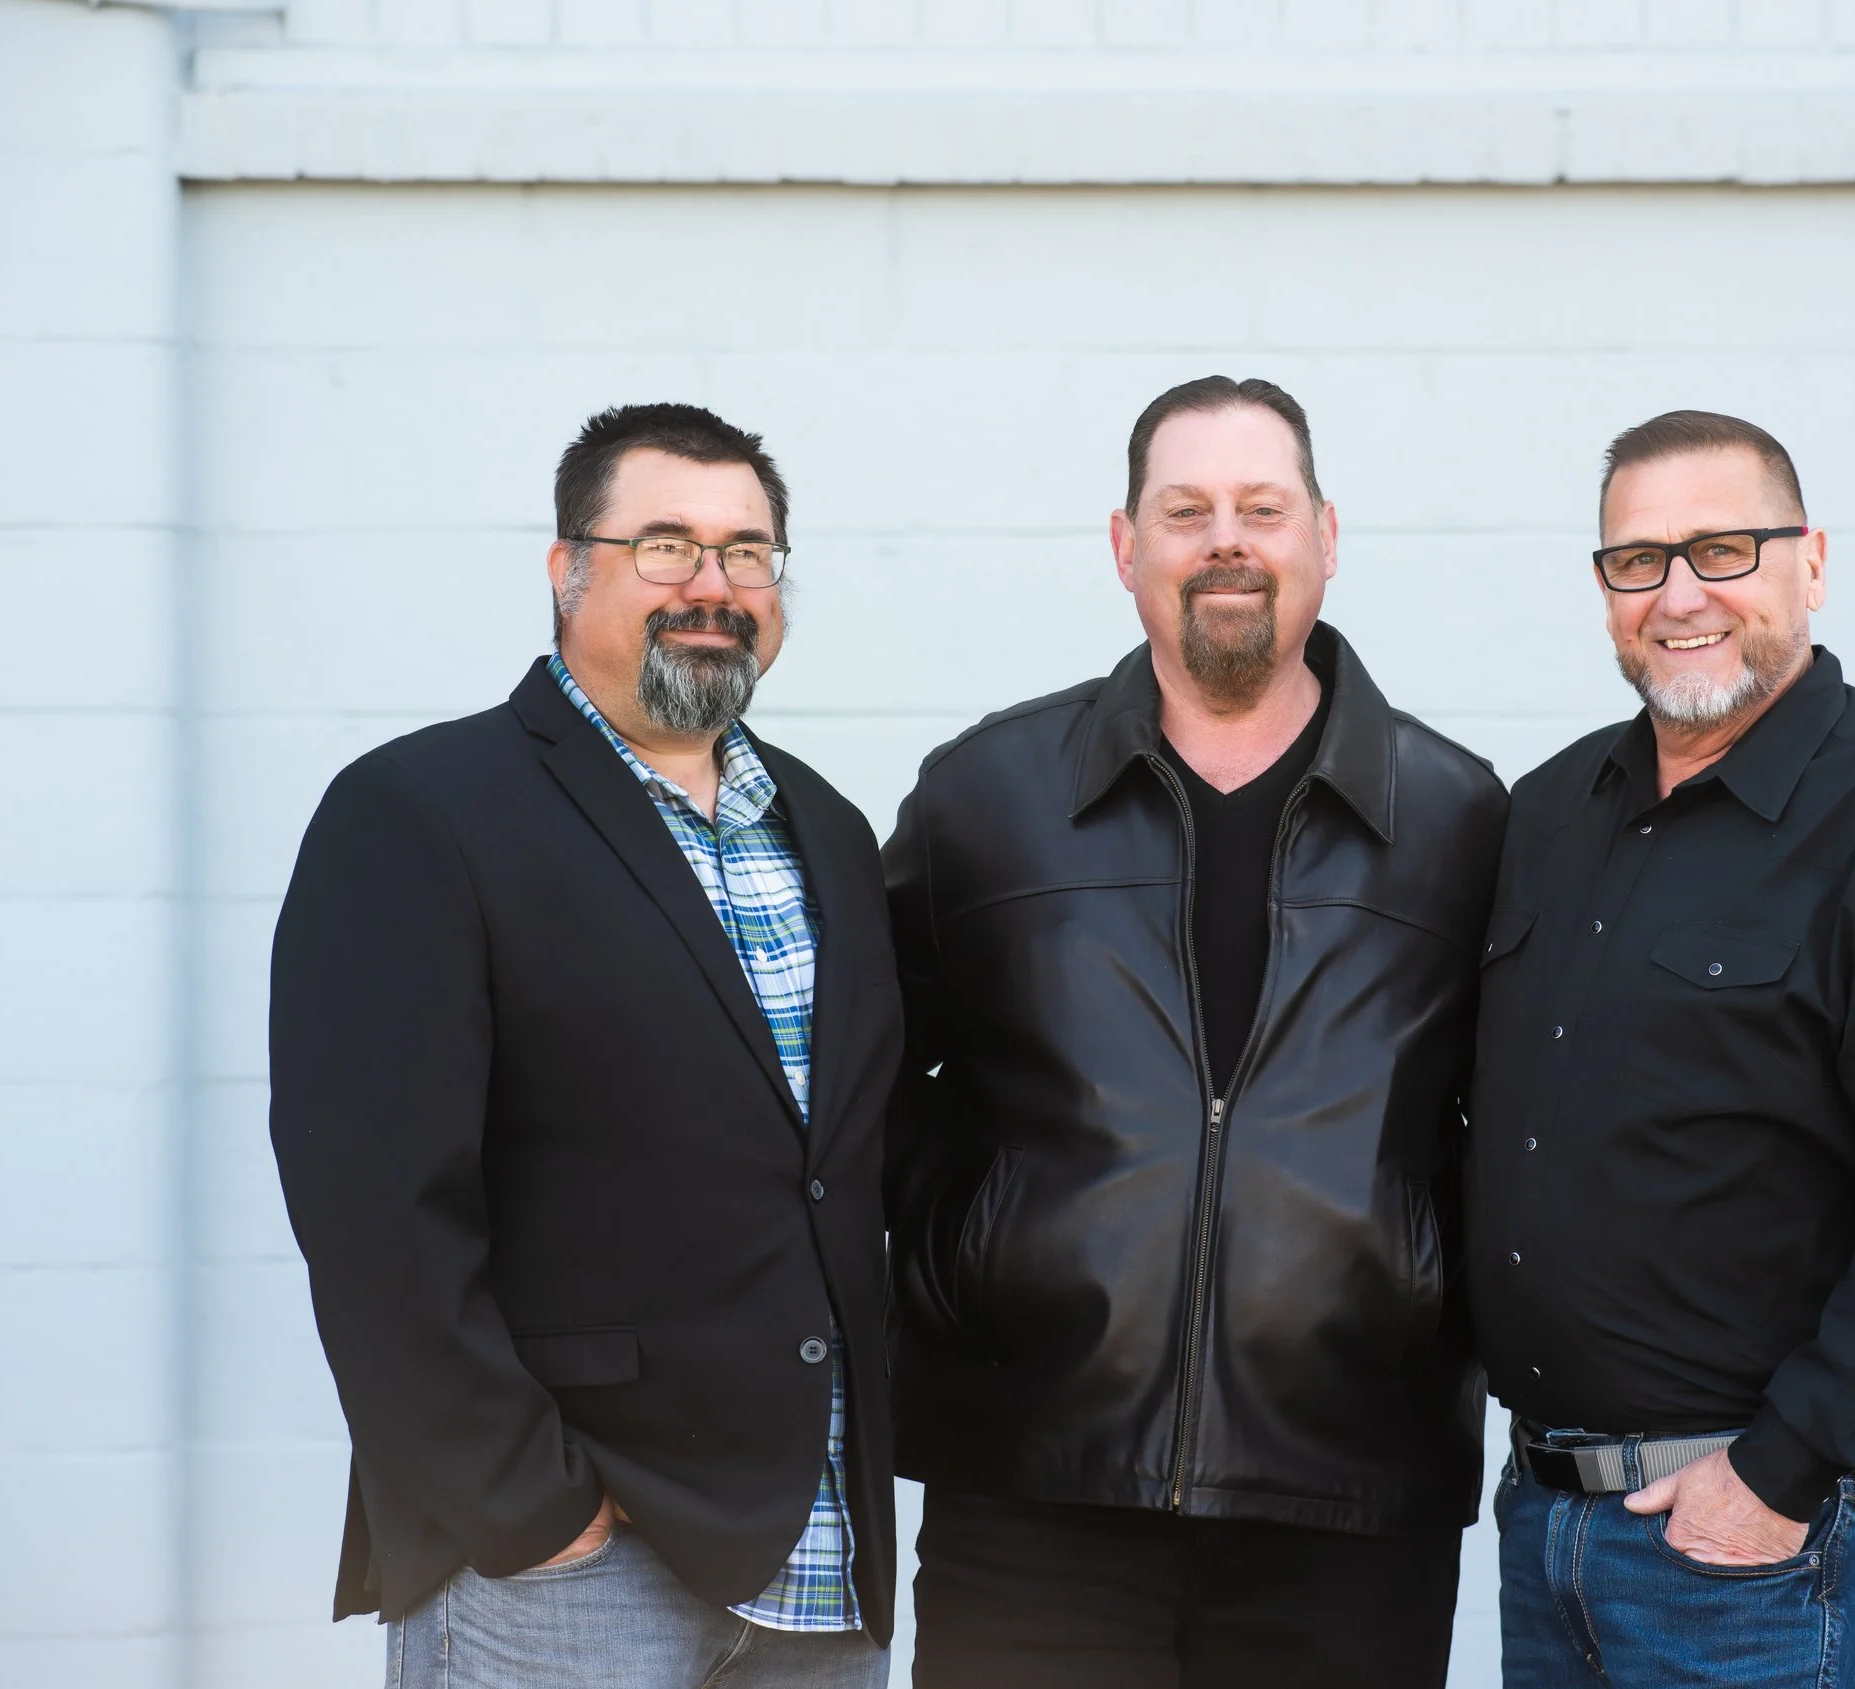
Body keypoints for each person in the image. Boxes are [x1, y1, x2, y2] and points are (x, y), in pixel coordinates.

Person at [882, 377, 1506, 1688]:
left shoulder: (1460, 820)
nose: (1227, 540)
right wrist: (971, 1257)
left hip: (1350, 1507)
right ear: (1127, 547)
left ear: (1324, 537)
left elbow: (1518, 1121)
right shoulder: (986, 795)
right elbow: (860, 1078)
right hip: (1032, 1489)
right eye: (1186, 511)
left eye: (1261, 508)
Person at [269, 403, 898, 1687]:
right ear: (567, 570)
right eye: (664, 545)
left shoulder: (827, 830)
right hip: (567, 1566)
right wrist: (529, 1511)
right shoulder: (423, 812)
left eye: (747, 551)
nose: (712, 585)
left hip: (821, 1552)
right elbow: (375, 1213)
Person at [1469, 410, 1855, 1688]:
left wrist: (1780, 1471)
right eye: (1638, 560)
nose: (1680, 595)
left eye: (1723, 549)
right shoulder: (1551, 813)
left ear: (1812, 562)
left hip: (1747, 1552)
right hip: (1545, 1519)